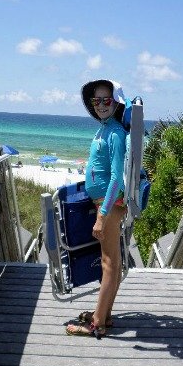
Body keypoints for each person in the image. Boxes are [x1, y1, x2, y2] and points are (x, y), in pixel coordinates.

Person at [66, 79, 127, 339]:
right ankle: (105, 315)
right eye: (97, 101)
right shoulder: (104, 128)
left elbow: (117, 178)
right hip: (104, 202)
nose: (101, 105)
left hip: (109, 204)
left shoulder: (115, 133)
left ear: (116, 103)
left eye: (107, 100)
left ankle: (97, 324)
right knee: (113, 261)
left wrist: (102, 216)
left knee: (109, 263)